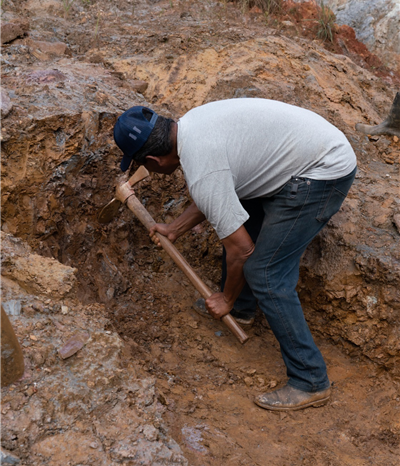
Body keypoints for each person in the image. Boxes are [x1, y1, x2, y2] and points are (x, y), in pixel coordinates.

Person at [113, 98, 357, 412]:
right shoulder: (192, 125)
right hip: (308, 151)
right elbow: (217, 192)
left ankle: (310, 379)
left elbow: (241, 249)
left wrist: (224, 298)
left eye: (141, 164)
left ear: (153, 160)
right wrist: (174, 228)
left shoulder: (201, 168)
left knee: (266, 272)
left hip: (322, 171)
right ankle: (243, 310)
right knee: (239, 210)